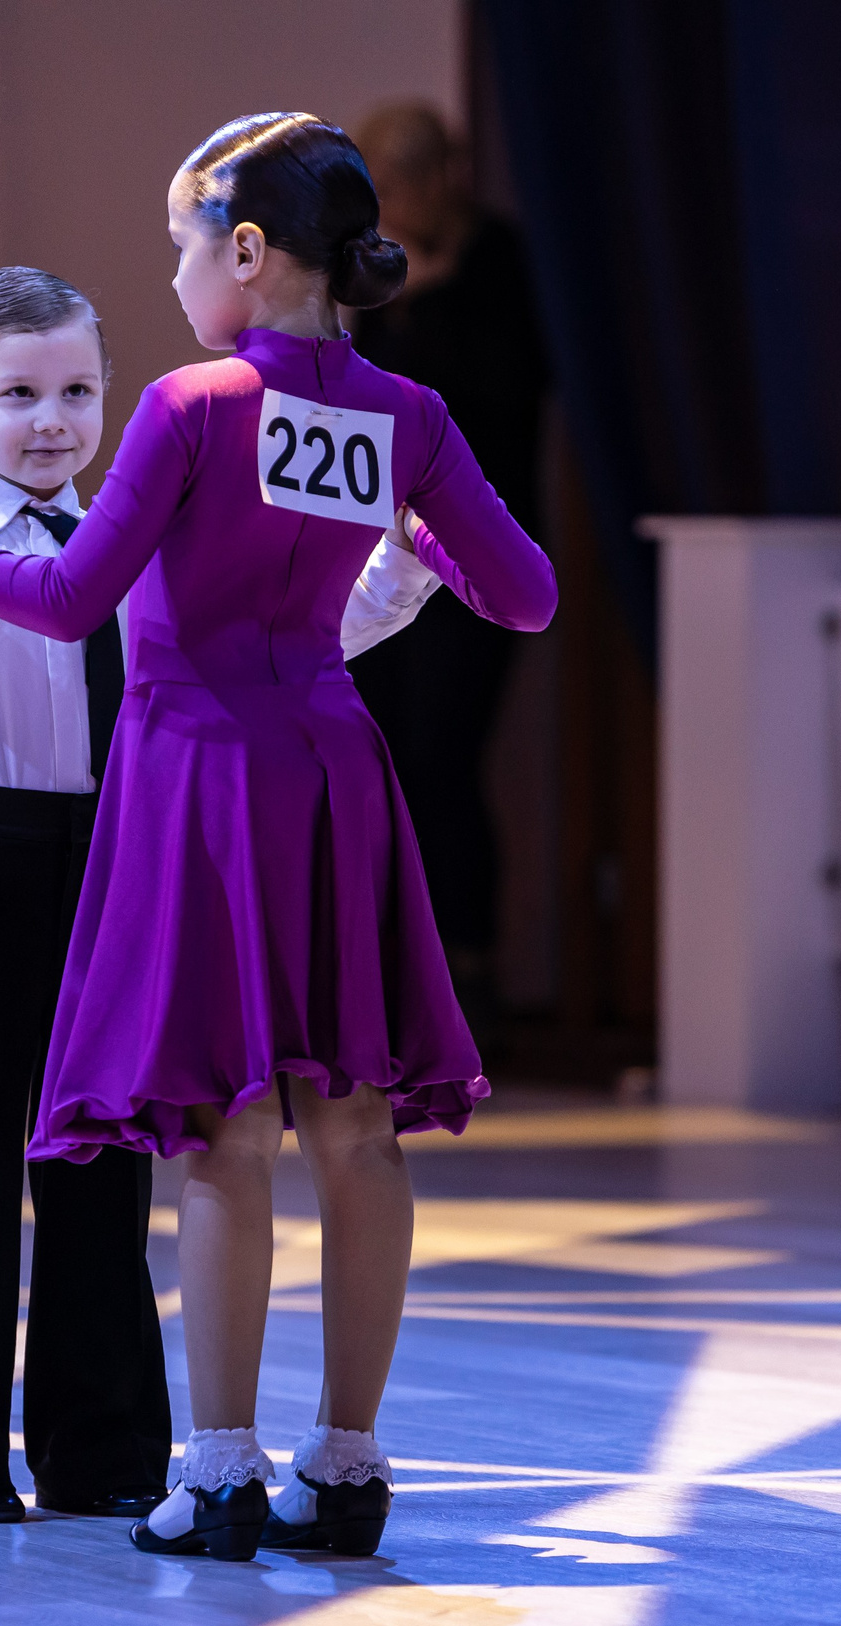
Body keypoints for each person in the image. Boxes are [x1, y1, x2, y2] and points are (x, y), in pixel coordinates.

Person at [0, 113, 556, 1562]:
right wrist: (417, 539)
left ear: (244, 250)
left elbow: (66, 601)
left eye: (180, 242)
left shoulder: (190, 402)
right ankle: (346, 1465)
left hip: (198, 775)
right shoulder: (404, 414)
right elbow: (527, 595)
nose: (172, 272)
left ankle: (223, 1472)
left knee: (226, 1132)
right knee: (355, 1126)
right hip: (334, 769)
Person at [0, 267, 438, 1524]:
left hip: (129, 855)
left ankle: (100, 1454)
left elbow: (283, 637)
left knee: (107, 1162)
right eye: (17, 395)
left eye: (77, 391)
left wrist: (401, 565)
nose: (51, 421)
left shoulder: (146, 529)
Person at [345, 102, 554, 1042]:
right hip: (386, 547)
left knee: (443, 753)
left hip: (475, 547)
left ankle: (467, 967)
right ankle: (389, 967)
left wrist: (428, 301)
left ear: (440, 179)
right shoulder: (380, 272)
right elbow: (366, 395)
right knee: (381, 748)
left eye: (393, 187)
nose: (384, 209)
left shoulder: (500, 264)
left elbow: (489, 394)